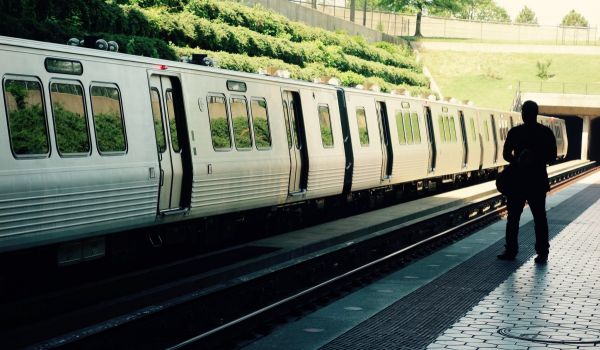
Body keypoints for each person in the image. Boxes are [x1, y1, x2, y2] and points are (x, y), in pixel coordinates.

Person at [497, 100, 557, 264]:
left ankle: (511, 250)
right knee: (539, 218)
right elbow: (552, 156)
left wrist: (518, 160)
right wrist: (537, 159)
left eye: (525, 112)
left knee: (513, 218)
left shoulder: (515, 132)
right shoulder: (545, 133)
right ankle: (542, 252)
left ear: (527, 113)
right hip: (537, 181)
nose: (524, 115)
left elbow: (505, 154)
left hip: (517, 181)